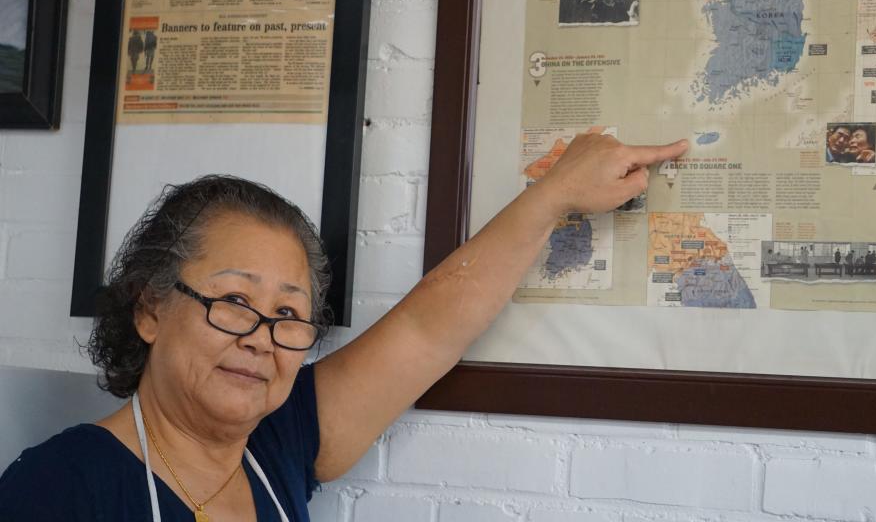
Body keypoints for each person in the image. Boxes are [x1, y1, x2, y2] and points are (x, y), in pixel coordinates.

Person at [0, 133, 688, 520]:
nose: (262, 336)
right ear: (150, 309)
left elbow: (427, 329)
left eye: (290, 314)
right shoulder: (62, 487)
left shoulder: (279, 443)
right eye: (235, 300)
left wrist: (556, 196)